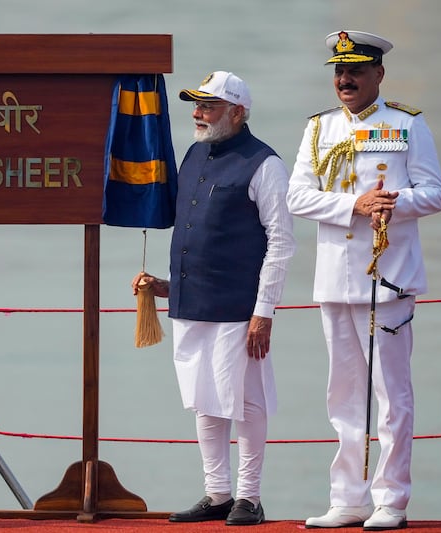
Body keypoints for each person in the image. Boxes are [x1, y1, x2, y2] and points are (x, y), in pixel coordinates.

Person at [287, 31, 441, 530]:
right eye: (340, 72)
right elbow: (297, 197)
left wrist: (391, 203)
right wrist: (351, 206)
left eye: (356, 71)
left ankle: (391, 500)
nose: (345, 79)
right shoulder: (318, 129)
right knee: (343, 394)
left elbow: (435, 194)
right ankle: (347, 498)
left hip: (388, 279)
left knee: (391, 395)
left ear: (378, 74)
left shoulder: (405, 124)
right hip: (336, 277)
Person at [132, 71, 295, 526]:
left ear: (238, 112)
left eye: (208, 106)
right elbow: (194, 232)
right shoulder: (192, 154)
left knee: (245, 402)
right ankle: (217, 493)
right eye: (196, 105)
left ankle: (249, 497)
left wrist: (264, 312)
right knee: (203, 399)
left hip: (239, 307)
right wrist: (165, 283)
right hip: (191, 301)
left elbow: (282, 242)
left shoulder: (265, 164)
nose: (198, 113)